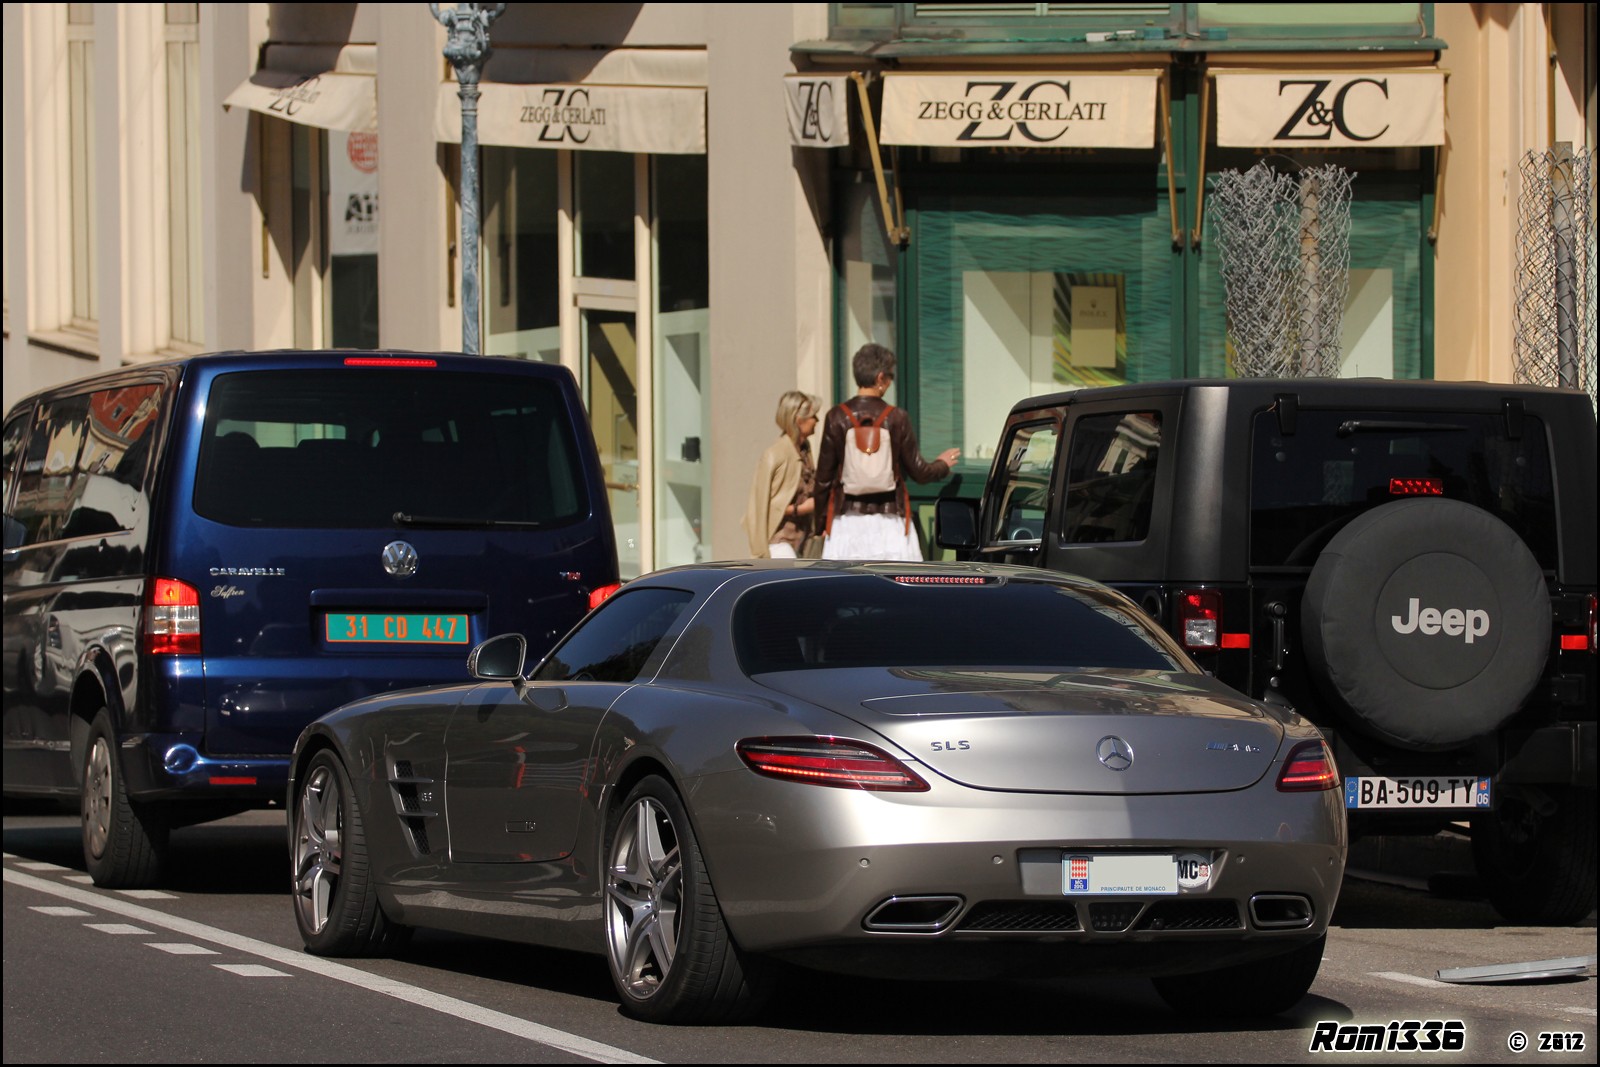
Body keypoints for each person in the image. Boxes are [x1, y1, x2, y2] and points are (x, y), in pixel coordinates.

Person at [814, 344, 959, 560]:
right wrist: (942, 464)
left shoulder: (836, 417)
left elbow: (823, 480)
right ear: (881, 378)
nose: (890, 383)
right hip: (890, 523)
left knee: (846, 590)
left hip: (846, 523)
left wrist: (820, 523)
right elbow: (919, 471)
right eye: (890, 377)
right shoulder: (897, 417)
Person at [741, 390, 820, 559]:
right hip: (780, 541)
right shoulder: (775, 455)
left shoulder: (805, 450)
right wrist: (802, 509)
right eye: (813, 416)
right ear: (799, 420)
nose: (817, 421)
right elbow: (761, 505)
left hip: (804, 540)